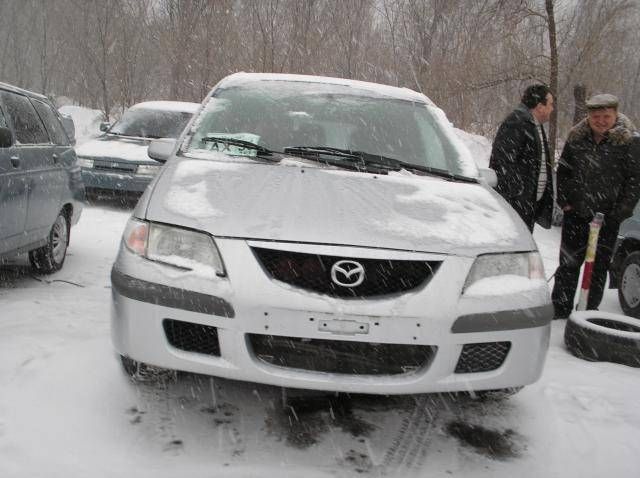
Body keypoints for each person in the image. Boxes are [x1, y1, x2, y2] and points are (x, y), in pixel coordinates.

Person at [552, 94, 640, 319]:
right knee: (568, 264)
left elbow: (634, 182)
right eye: (596, 116)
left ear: (615, 115)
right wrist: (566, 202)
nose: (600, 121)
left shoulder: (628, 142)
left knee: (598, 268)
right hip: (576, 214)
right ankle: (560, 309)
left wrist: (619, 213)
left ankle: (589, 312)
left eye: (606, 116)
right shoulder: (576, 139)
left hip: (607, 219)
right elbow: (563, 172)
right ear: (588, 117)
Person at [489, 84, 555, 232]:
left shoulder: (534, 124)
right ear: (539, 106)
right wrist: (519, 195)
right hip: (517, 208)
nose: (552, 109)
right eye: (550, 105)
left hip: (527, 207)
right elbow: (502, 164)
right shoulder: (517, 122)